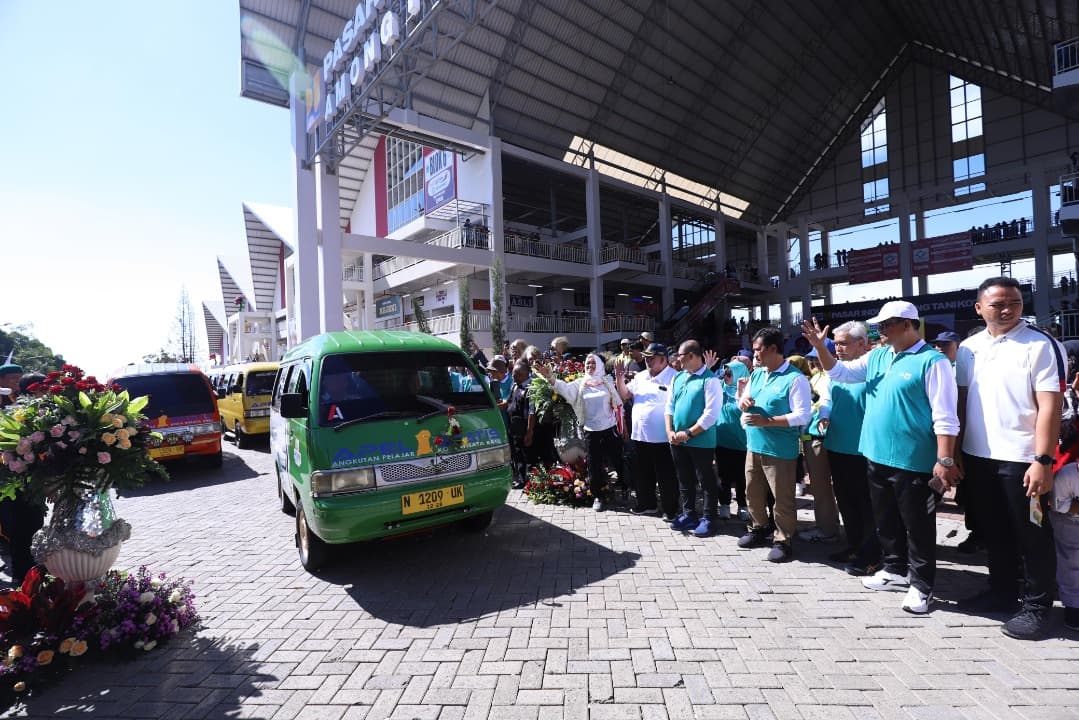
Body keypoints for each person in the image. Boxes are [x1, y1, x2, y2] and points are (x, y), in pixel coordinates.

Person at [802, 301, 960, 615]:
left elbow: (945, 416)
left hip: (913, 459)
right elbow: (839, 373)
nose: (880, 331)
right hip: (875, 454)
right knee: (886, 520)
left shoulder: (933, 362)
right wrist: (821, 347)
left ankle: (922, 585)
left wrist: (944, 460)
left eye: (885, 325)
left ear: (906, 324)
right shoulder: (878, 356)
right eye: (878, 326)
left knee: (918, 526)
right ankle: (895, 570)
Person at [955, 277, 1064, 639]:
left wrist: (1043, 459)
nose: (1007, 309)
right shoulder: (969, 348)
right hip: (979, 457)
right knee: (995, 531)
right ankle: (1001, 592)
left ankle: (1037, 605)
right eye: (998, 303)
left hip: (1023, 459)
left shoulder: (1039, 344)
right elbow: (961, 402)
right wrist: (955, 453)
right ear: (978, 308)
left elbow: (1050, 406)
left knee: (1032, 533)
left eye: (1014, 303)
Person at [736, 328, 812, 562]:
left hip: (780, 450)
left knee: (783, 498)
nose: (755, 354)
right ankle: (760, 528)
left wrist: (768, 421)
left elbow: (803, 416)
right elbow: (742, 405)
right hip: (754, 445)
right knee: (753, 493)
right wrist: (743, 402)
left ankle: (783, 539)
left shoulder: (795, 379)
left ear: (773, 349)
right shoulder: (757, 374)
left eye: (758, 349)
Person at [818, 322, 881, 576]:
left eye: (843, 343)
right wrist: (824, 414)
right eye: (835, 343)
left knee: (868, 505)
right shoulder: (837, 372)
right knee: (846, 501)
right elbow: (828, 398)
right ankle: (854, 546)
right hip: (838, 446)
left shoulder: (873, 370)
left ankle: (872, 554)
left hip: (864, 450)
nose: (838, 348)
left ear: (862, 343)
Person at [536, 354, 623, 511]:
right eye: (587, 363)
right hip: (591, 430)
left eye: (593, 363)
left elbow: (618, 403)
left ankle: (625, 487)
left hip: (609, 428)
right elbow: (564, 388)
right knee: (594, 464)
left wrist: (623, 425)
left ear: (599, 365)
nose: (590, 366)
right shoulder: (580, 384)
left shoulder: (607, 382)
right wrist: (550, 377)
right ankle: (598, 496)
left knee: (618, 460)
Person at [665, 340, 724, 537]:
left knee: (705, 480)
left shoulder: (710, 380)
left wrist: (688, 433)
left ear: (691, 355)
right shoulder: (678, 377)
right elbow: (669, 406)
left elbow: (711, 415)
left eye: (680, 356)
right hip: (677, 440)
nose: (677, 360)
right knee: (684, 479)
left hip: (700, 441)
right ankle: (688, 514)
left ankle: (709, 518)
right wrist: (670, 431)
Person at [615, 343, 678, 518]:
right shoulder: (641, 376)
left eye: (652, 358)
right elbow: (625, 395)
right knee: (643, 473)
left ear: (663, 359)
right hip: (640, 435)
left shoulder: (675, 378)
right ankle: (647, 504)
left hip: (662, 437)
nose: (648, 361)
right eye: (647, 358)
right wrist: (619, 377)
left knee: (666, 476)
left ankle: (670, 510)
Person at [0, 362, 45, 585]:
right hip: (6, 478)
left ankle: (37, 574)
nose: (16, 383)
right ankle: (22, 578)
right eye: (12, 378)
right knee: (16, 529)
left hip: (28, 477)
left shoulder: (24, 405)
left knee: (34, 523)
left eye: (19, 378)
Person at [798, 344, 840, 544]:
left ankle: (827, 530)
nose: (814, 361)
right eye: (812, 357)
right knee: (819, 487)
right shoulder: (815, 377)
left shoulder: (834, 376)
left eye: (818, 356)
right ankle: (826, 525)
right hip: (810, 437)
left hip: (822, 439)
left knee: (822, 488)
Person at [712, 355, 751, 522]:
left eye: (729, 374)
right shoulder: (719, 387)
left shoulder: (748, 390)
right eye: (725, 373)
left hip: (743, 442)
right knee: (723, 476)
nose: (725, 377)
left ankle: (743, 506)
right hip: (722, 441)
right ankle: (725, 505)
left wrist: (741, 393)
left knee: (742, 477)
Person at [505, 360, 532, 488]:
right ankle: (521, 480)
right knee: (517, 454)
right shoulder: (515, 385)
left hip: (524, 427)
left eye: (515, 374)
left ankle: (528, 482)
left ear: (523, 374)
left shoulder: (530, 388)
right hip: (514, 426)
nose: (512, 376)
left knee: (526, 455)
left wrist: (529, 432)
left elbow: (532, 413)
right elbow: (509, 401)